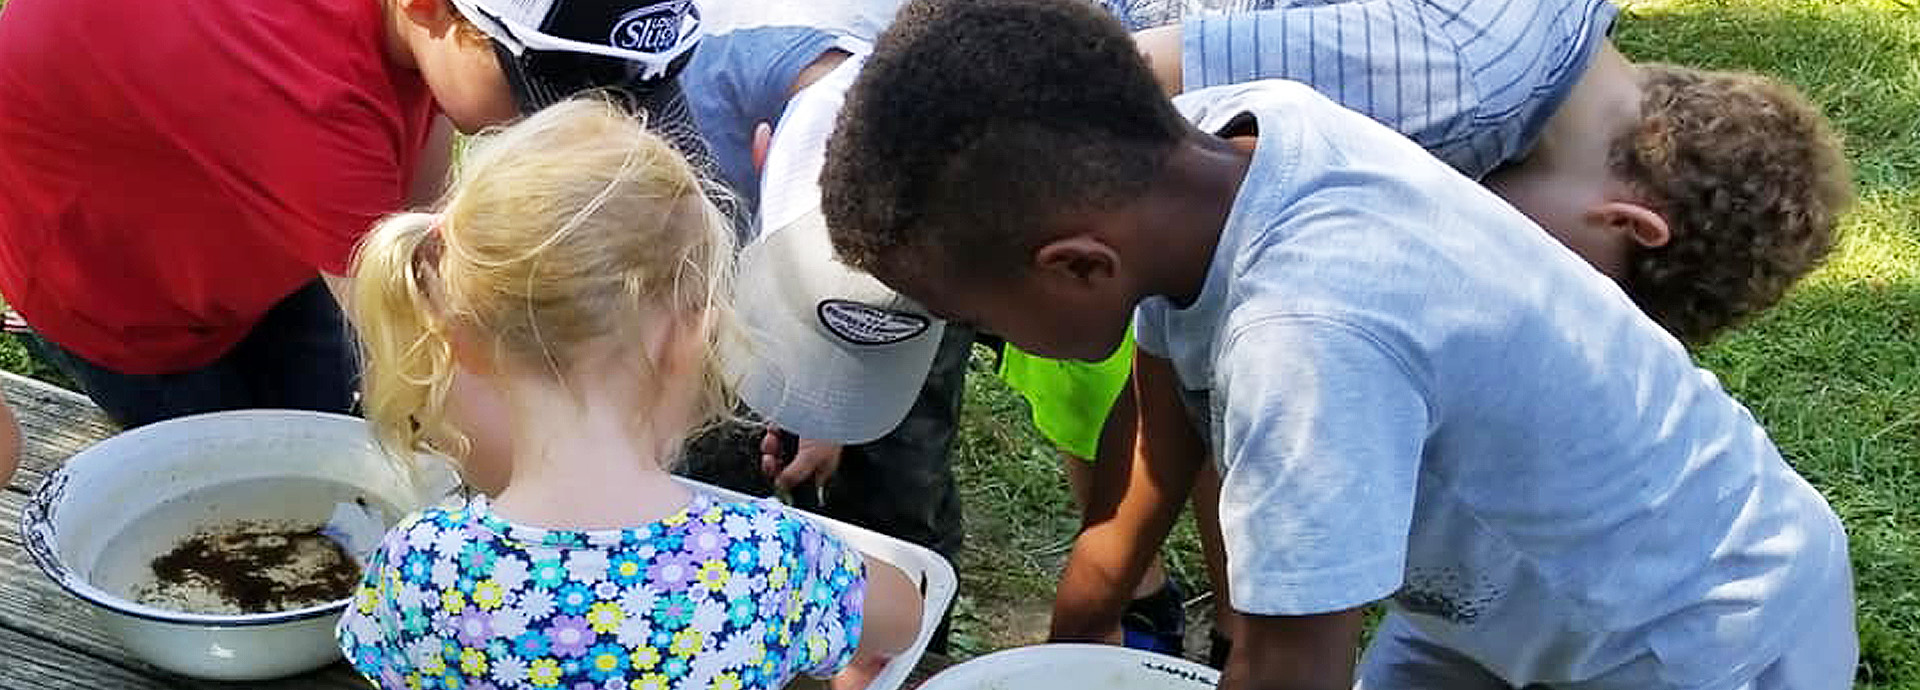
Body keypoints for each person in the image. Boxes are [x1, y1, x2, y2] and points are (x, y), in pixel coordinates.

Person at [819, 0, 1857, 688]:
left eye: (978, 317)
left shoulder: (1308, 339)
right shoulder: (1226, 140)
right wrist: (1101, 577)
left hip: (1698, 630)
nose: (988, 339)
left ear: (1079, 265)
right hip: (1490, 604)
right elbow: (1172, 381)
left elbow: (1287, 668)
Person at [335, 99, 922, 690]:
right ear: (687, 337)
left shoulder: (418, 563)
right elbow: (903, 615)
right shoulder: (767, 559)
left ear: (463, 340)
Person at [0, 0, 700, 430]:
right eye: (544, 92)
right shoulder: (308, 104)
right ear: (430, 9)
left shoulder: (420, 38)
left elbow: (418, 224)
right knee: (244, 488)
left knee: (324, 407)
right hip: (122, 282)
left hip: (253, 220)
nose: (575, 129)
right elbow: (431, 352)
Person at [673, 1, 973, 652]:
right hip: (728, 237)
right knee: (713, 446)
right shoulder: (691, 107)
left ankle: (900, 652)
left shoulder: (982, 137)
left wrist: (834, 410)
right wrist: (791, 390)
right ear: (763, 152)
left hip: (936, 212)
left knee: (903, 468)